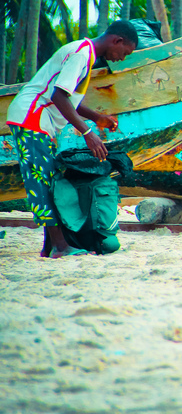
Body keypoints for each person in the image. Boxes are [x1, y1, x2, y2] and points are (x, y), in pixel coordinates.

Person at [6, 20, 138, 257]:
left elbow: (68, 99)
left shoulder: (85, 55)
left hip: (39, 121)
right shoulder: (81, 53)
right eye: (124, 52)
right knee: (42, 182)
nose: (121, 58)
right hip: (31, 117)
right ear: (116, 40)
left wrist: (97, 118)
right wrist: (88, 133)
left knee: (49, 179)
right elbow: (58, 96)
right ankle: (60, 245)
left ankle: (51, 245)